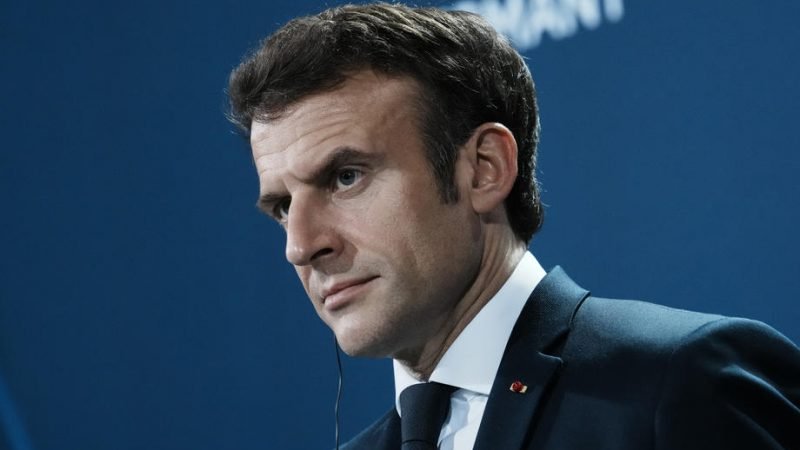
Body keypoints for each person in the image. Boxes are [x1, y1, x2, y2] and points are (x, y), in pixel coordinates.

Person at [226, 3, 800, 449]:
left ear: (484, 169)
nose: (301, 246)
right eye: (283, 206)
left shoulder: (678, 382)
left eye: (345, 177)